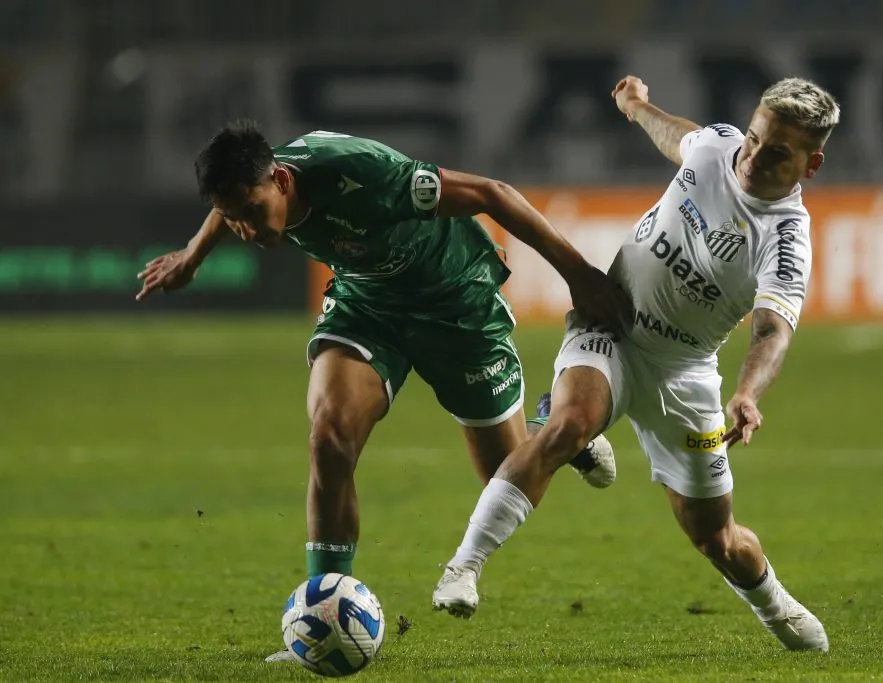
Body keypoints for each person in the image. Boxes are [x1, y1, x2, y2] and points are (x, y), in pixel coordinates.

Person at [135, 121, 630, 654]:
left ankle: (551, 423)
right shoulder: (251, 183)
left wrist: (578, 275)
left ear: (281, 180)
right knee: (330, 436)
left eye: (253, 212)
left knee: (503, 476)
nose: (248, 230)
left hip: (456, 303)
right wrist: (192, 255)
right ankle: (323, 611)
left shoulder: (365, 176)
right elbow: (228, 203)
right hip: (367, 305)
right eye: (235, 219)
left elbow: (493, 193)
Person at [432, 76, 839, 653]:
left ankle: (774, 604)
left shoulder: (786, 238)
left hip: (685, 374)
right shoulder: (719, 148)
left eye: (776, 153)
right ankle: (464, 566)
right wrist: (637, 107)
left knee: (716, 538)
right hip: (613, 326)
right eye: (753, 138)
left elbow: (772, 329)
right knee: (567, 426)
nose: (752, 157)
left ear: (810, 165)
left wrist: (747, 393)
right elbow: (681, 137)